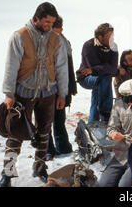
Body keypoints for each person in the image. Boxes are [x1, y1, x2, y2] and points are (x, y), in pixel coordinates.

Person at [0, 2, 69, 187]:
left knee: (45, 131)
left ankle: (40, 167)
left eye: (52, 23)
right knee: (16, 132)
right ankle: (7, 172)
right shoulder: (19, 36)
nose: (49, 26)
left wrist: (62, 94)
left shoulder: (56, 39)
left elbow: (61, 68)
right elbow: (11, 66)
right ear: (37, 18)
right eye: (46, 22)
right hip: (23, 92)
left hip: (49, 92)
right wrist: (9, 93)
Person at [46, 16, 77, 161]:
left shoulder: (64, 42)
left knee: (59, 119)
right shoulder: (45, 43)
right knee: (46, 120)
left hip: (61, 88)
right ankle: (48, 149)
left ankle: (63, 148)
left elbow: (68, 69)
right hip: (48, 88)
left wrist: (69, 88)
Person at [76, 23, 118, 122]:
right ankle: (106, 113)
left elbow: (113, 69)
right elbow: (93, 67)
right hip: (85, 78)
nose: (112, 38)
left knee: (101, 85)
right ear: (100, 37)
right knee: (104, 78)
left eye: (113, 35)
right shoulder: (89, 45)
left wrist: (99, 69)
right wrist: (106, 68)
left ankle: (93, 122)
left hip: (100, 79)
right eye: (109, 36)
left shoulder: (114, 46)